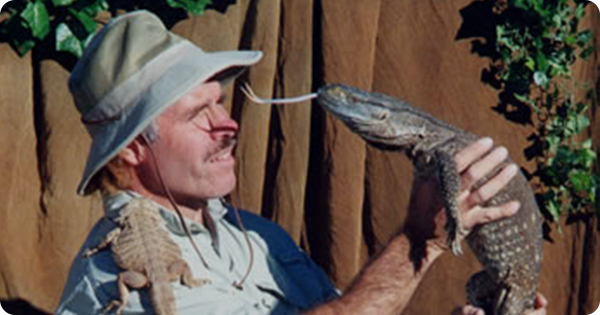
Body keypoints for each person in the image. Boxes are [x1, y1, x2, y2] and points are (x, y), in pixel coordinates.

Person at [55, 10, 547, 315]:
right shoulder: (128, 271)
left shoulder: (259, 238)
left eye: (220, 103)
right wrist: (419, 240)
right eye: (196, 114)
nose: (226, 125)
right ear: (132, 149)